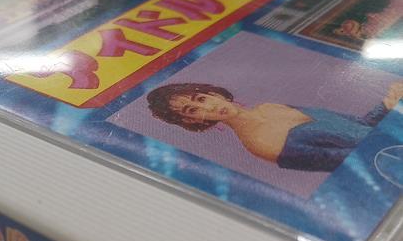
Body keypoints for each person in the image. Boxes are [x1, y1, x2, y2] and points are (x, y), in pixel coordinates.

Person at [145, 82, 403, 172]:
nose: (208, 107)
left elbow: (359, 126)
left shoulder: (269, 107)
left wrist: (388, 103)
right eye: (192, 111)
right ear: (194, 121)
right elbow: (358, 162)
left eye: (200, 99)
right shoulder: (260, 145)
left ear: (211, 93)